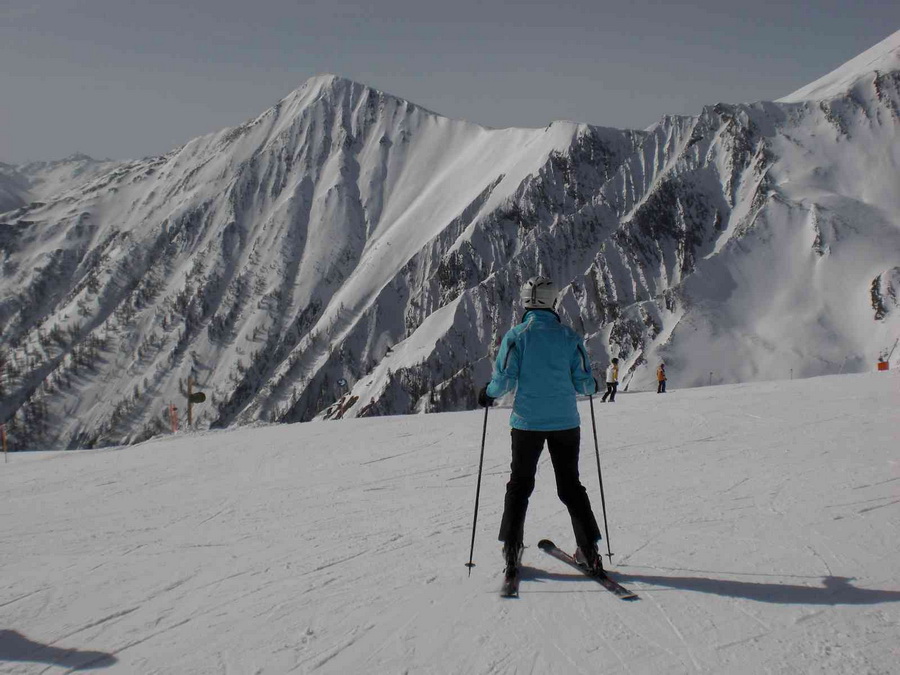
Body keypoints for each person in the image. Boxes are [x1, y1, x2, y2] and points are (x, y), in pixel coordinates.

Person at [477, 276, 604, 578]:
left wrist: (487, 393)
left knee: (519, 485)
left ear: (525, 302)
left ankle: (511, 549)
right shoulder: (569, 337)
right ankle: (589, 550)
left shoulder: (517, 336)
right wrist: (593, 384)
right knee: (571, 486)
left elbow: (505, 379)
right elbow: (585, 384)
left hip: (527, 423)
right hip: (565, 423)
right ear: (553, 301)